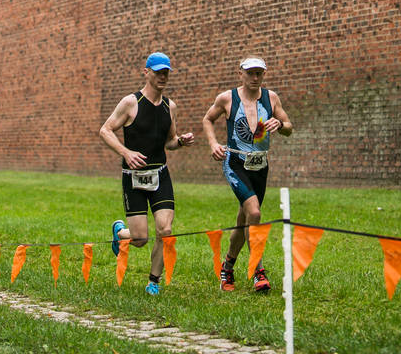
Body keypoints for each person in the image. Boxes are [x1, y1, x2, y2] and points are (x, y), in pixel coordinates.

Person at [99, 51, 195, 295]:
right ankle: (120, 232)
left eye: (166, 73)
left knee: (165, 230)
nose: (163, 77)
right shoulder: (131, 103)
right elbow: (106, 130)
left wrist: (180, 141)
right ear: (147, 72)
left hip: (160, 175)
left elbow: (170, 142)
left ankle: (154, 281)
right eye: (158, 72)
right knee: (140, 239)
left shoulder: (169, 106)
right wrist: (126, 152)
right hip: (133, 178)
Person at [202, 56, 292, 293]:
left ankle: (228, 266)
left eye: (258, 73)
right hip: (236, 164)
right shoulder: (227, 98)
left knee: (244, 221)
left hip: (260, 167)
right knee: (254, 212)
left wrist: (280, 126)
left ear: (264, 74)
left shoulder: (271, 98)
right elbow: (208, 119)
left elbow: (289, 127)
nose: (254, 77)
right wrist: (213, 144)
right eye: (250, 73)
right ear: (240, 73)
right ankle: (258, 270)